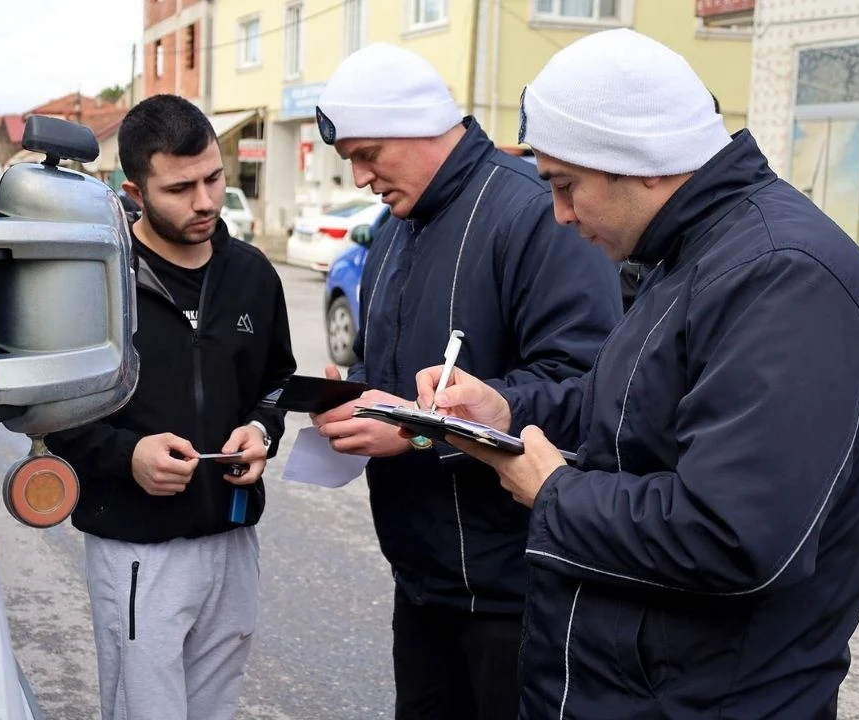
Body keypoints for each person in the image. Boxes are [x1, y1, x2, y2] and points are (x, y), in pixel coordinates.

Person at [414, 28, 859, 719]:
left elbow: (733, 536)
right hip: (643, 684)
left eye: (566, 186)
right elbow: (628, 413)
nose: (561, 216)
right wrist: (506, 410)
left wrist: (555, 493)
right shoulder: (694, 253)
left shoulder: (781, 274)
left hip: (706, 699)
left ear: (642, 160)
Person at [308, 43, 621, 719]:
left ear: (418, 125)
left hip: (515, 590)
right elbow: (388, 372)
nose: (360, 178)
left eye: (368, 155)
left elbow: (588, 390)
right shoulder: (394, 228)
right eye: (350, 162)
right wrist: (353, 398)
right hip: (422, 580)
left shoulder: (533, 214)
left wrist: (422, 435)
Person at [44, 93, 296, 720]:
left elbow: (276, 383)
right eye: (181, 188)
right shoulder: (95, 282)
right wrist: (128, 455)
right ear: (135, 189)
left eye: (213, 177)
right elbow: (53, 410)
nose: (206, 200)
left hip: (233, 541)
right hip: (137, 549)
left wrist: (262, 429)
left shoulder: (253, 275)